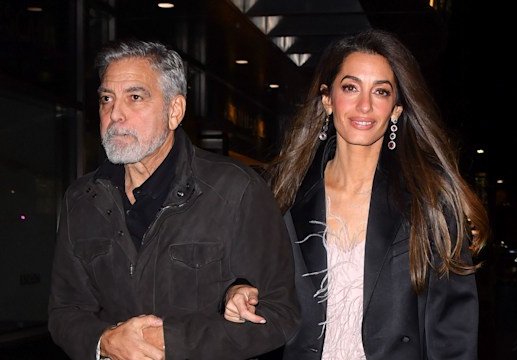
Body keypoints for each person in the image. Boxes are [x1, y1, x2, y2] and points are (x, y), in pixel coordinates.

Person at [224, 29, 489, 359]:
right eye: (350, 88)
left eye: (380, 92)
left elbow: (453, 331)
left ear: (396, 109)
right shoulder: (286, 197)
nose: (364, 105)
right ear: (327, 99)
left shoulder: (429, 203)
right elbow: (249, 273)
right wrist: (237, 290)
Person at [48, 39, 300, 360]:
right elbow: (65, 310)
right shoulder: (82, 199)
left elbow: (279, 313)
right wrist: (103, 341)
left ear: (174, 110)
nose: (115, 114)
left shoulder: (236, 189)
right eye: (106, 99)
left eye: (135, 97)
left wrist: (169, 341)